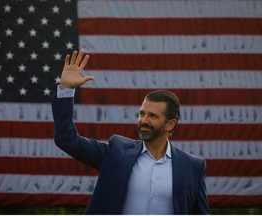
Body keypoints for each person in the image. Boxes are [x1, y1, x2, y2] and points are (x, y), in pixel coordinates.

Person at [51, 50, 211, 214]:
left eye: (153, 116)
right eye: (142, 113)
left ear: (170, 124)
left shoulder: (193, 167)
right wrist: (65, 90)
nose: (144, 120)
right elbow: (66, 139)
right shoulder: (117, 152)